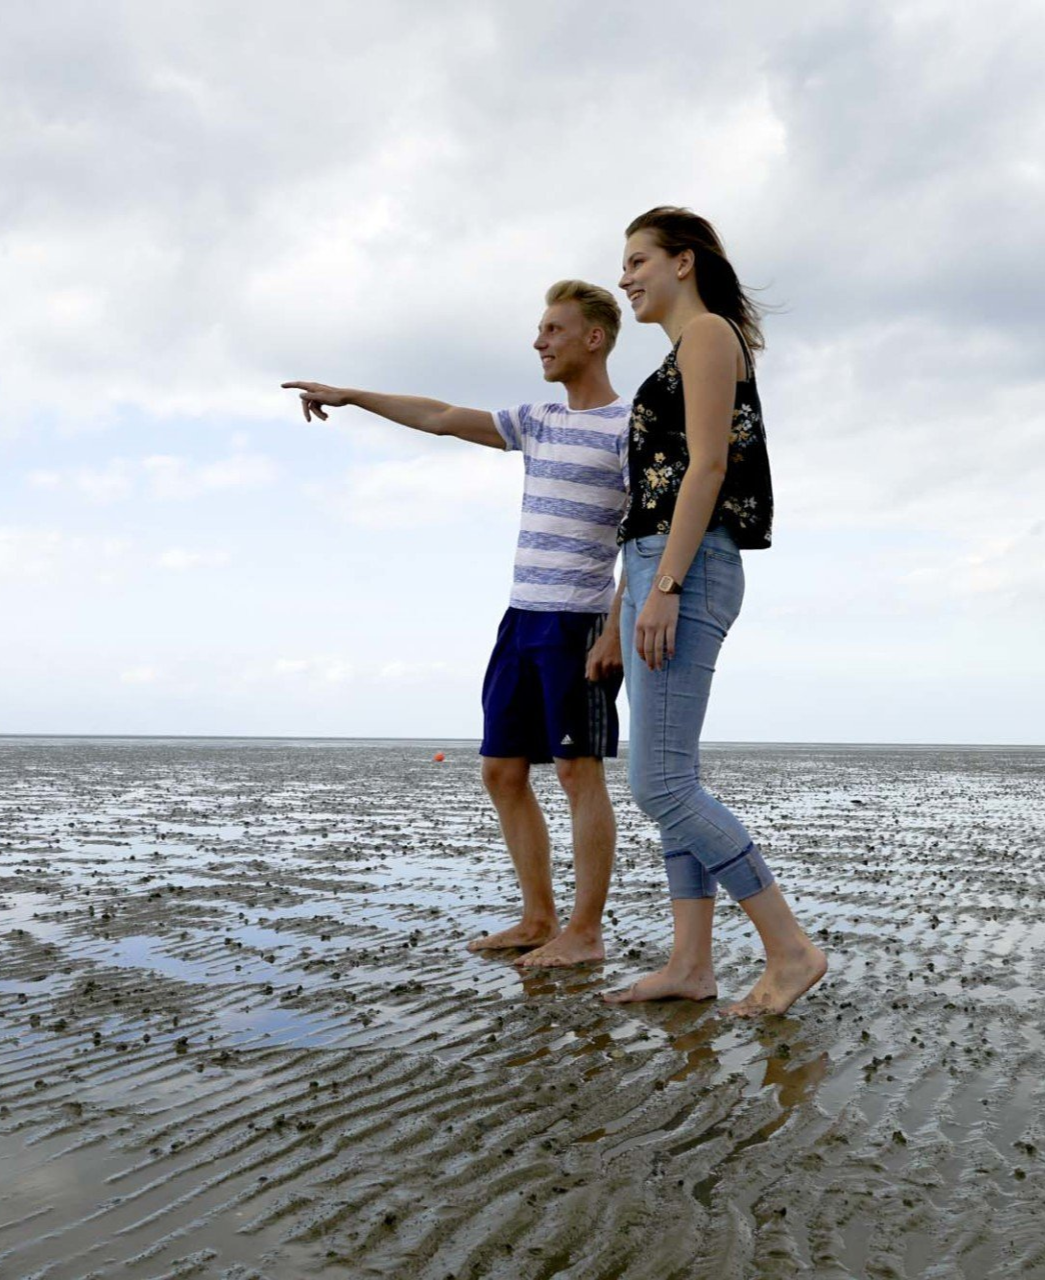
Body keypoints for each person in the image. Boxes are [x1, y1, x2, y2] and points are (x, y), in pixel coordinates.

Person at [284, 282, 630, 968]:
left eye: (553, 330)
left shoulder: (629, 427)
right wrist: (352, 396)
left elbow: (647, 537)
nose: (539, 341)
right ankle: (538, 917)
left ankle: (584, 933)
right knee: (501, 770)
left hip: (580, 622)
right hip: (520, 618)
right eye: (540, 329)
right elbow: (441, 416)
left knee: (575, 772)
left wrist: (617, 628)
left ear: (593, 338)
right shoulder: (536, 420)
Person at [600, 207, 827, 1017]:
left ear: (683, 262)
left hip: (684, 566)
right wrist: (626, 602)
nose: (624, 277)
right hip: (658, 564)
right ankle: (691, 965)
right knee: (672, 777)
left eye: (636, 261)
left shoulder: (705, 335)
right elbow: (649, 496)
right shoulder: (681, 350)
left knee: (659, 783)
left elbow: (706, 469)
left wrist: (663, 586)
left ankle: (790, 950)